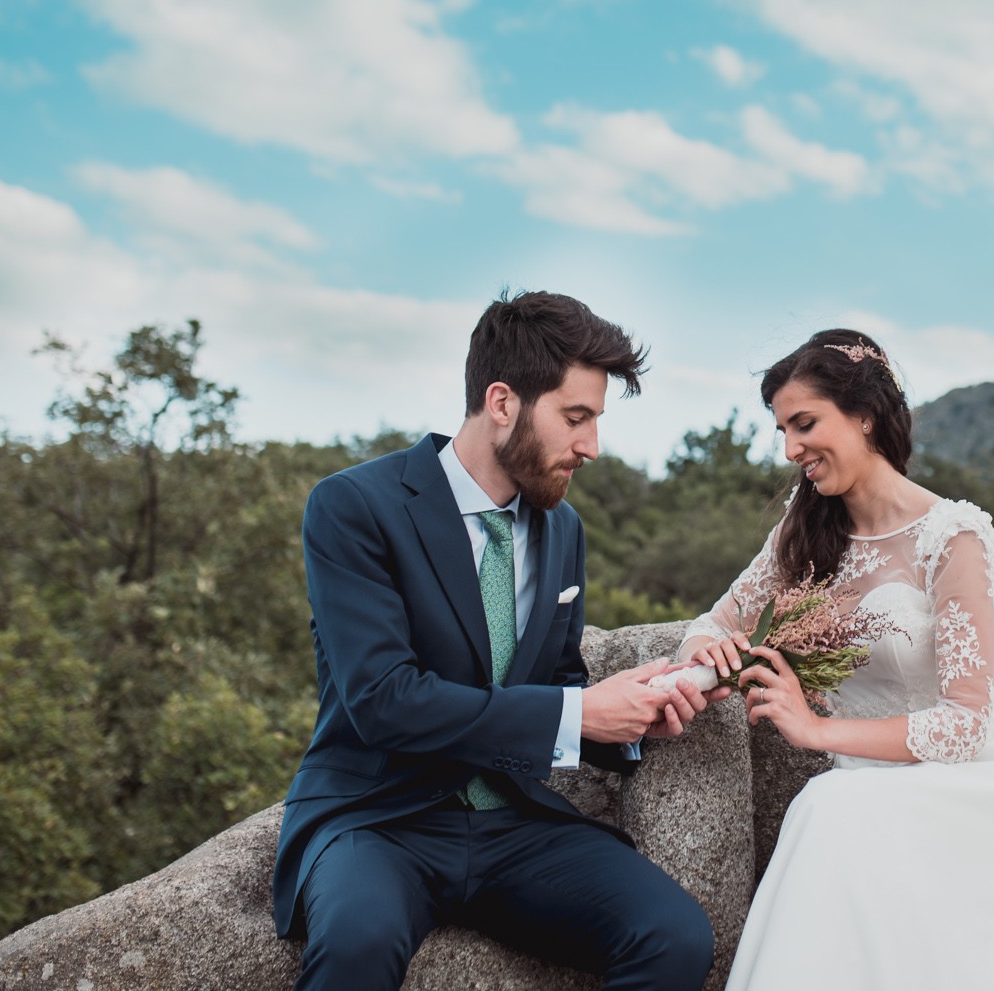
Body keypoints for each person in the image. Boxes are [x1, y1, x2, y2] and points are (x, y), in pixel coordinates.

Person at [679, 329, 994, 991]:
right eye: (782, 430)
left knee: (825, 808)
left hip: (969, 784)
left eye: (804, 424)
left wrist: (816, 729)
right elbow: (711, 622)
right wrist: (702, 651)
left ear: (864, 415)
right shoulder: (802, 532)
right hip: (867, 782)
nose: (791, 448)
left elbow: (967, 721)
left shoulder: (953, 533)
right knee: (832, 808)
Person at [272, 290, 729, 991]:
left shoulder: (563, 528)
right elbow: (382, 699)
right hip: (378, 819)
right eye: (576, 418)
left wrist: (645, 705)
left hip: (515, 826)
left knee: (674, 935)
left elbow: (560, 689)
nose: (592, 447)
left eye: (596, 421)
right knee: (357, 941)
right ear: (503, 401)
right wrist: (576, 714)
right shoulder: (353, 505)